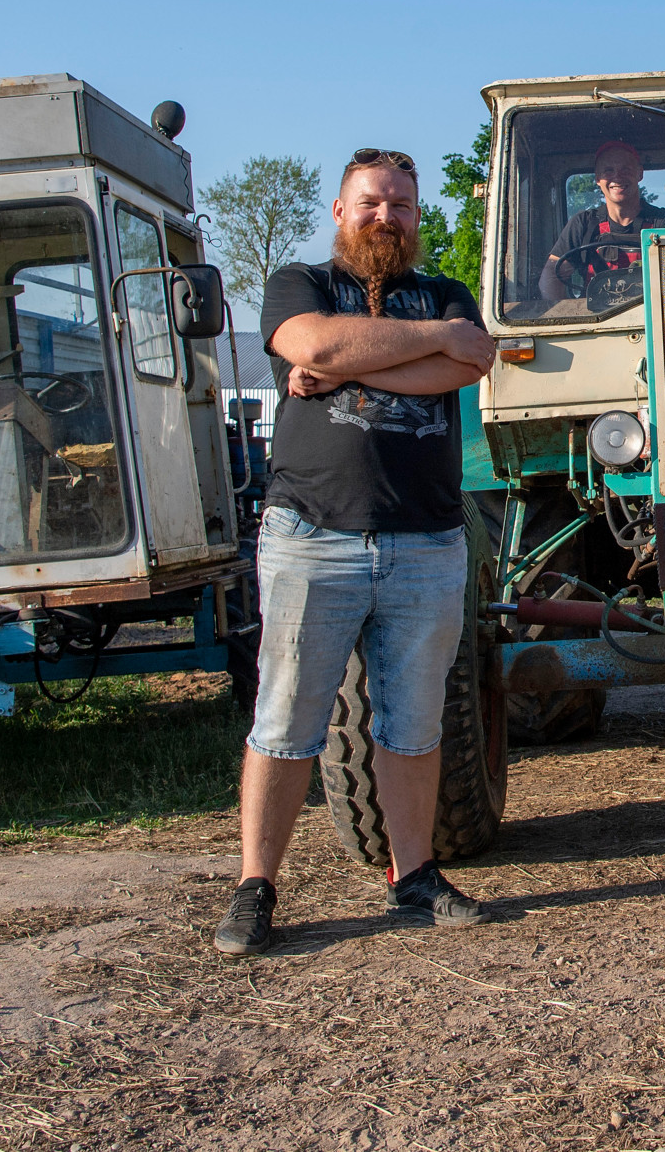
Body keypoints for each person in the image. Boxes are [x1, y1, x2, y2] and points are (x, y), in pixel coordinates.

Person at [214, 148, 497, 956]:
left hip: (427, 541)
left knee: (414, 720)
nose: (388, 216)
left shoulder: (448, 295)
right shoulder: (298, 283)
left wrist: (344, 365)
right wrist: (419, 348)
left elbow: (469, 357)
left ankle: (414, 876)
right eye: (372, 202)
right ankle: (256, 886)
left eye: (402, 205)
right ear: (340, 211)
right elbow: (311, 340)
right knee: (287, 716)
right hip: (313, 536)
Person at [536, 139, 665, 303]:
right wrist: (567, 319)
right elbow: (551, 276)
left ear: (640, 174)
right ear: (598, 178)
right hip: (599, 325)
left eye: (625, 169)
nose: (617, 177)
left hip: (653, 323)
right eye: (608, 170)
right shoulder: (584, 224)